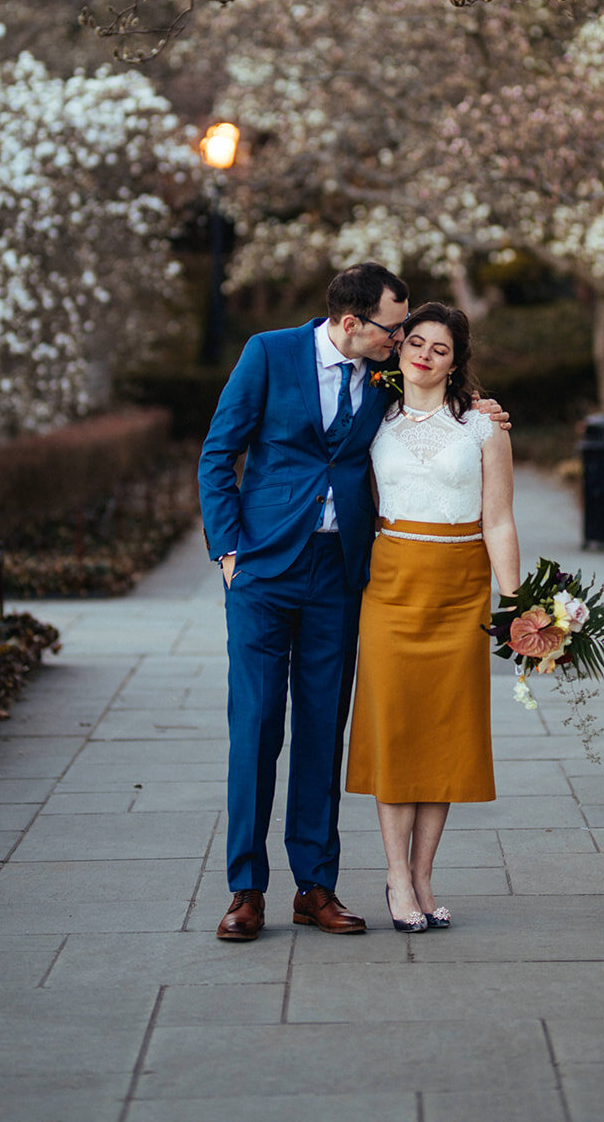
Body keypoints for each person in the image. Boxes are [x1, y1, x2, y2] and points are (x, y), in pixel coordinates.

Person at [198, 262, 410, 941]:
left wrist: (485, 414)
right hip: (262, 571)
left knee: (324, 727)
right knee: (256, 727)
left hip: (337, 571)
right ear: (350, 323)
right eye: (391, 327)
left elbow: (440, 400)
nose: (400, 340)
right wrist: (228, 553)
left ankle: (314, 885)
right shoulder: (268, 353)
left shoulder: (384, 373)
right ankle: (245, 889)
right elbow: (218, 453)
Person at [345, 301, 520, 931]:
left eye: (439, 349)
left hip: (459, 589)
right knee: (396, 731)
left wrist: (517, 605)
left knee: (444, 734)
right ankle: (395, 877)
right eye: (414, 342)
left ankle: (423, 877)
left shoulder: (483, 428)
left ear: (455, 362)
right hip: (390, 587)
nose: (423, 355)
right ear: (399, 349)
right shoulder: (374, 414)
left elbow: (498, 519)